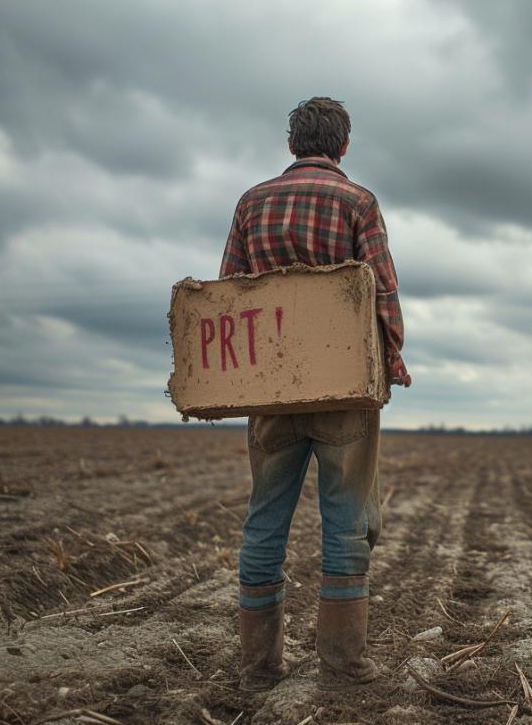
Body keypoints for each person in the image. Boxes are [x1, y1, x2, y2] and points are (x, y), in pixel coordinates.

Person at [218, 97, 410, 691]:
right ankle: (344, 667)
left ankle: (258, 669)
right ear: (344, 146)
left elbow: (230, 292)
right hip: (344, 391)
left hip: (272, 393)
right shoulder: (358, 202)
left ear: (291, 145)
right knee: (347, 524)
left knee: (263, 524)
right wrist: (394, 358)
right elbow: (380, 292)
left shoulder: (252, 202)